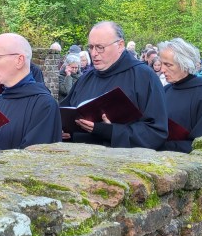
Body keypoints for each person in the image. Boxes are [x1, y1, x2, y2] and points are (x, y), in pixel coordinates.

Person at [60, 21, 168, 149]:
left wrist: (110, 131)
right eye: (91, 47)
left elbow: (156, 132)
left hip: (121, 163)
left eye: (100, 47)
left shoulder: (144, 77)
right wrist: (62, 129)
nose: (94, 53)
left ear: (120, 45)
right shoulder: (86, 79)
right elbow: (64, 113)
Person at [156, 39, 202, 153]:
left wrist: (162, 145)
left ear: (185, 65)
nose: (162, 69)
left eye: (168, 65)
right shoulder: (165, 90)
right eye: (161, 64)